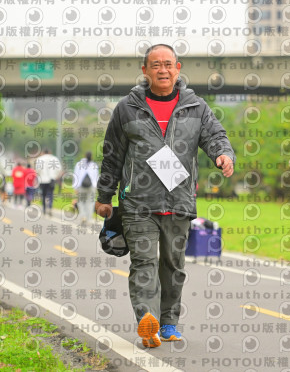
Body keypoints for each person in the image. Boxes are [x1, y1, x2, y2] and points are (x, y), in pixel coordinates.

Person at [95, 44, 235, 348]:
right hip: (138, 203)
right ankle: (148, 320)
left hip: (178, 200)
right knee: (143, 262)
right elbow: (112, 155)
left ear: (178, 68)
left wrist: (223, 155)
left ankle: (169, 322)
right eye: (156, 65)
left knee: (173, 265)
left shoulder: (196, 106)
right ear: (145, 70)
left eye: (168, 64)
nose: (163, 70)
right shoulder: (127, 108)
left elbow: (215, 136)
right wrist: (105, 196)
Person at [73, 152, 99, 226]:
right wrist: (96, 187)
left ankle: (83, 216)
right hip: (92, 187)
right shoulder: (94, 165)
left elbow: (75, 176)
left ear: (84, 156)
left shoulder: (79, 164)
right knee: (90, 202)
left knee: (81, 202)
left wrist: (75, 187)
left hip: (81, 186)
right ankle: (89, 219)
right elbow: (96, 177)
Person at [35, 149, 62, 216]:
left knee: (43, 195)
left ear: (43, 152)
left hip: (42, 180)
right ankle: (50, 207)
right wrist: (56, 176)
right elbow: (59, 169)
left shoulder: (40, 159)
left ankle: (44, 209)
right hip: (52, 179)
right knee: (50, 194)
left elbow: (37, 170)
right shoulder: (54, 159)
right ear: (50, 152)